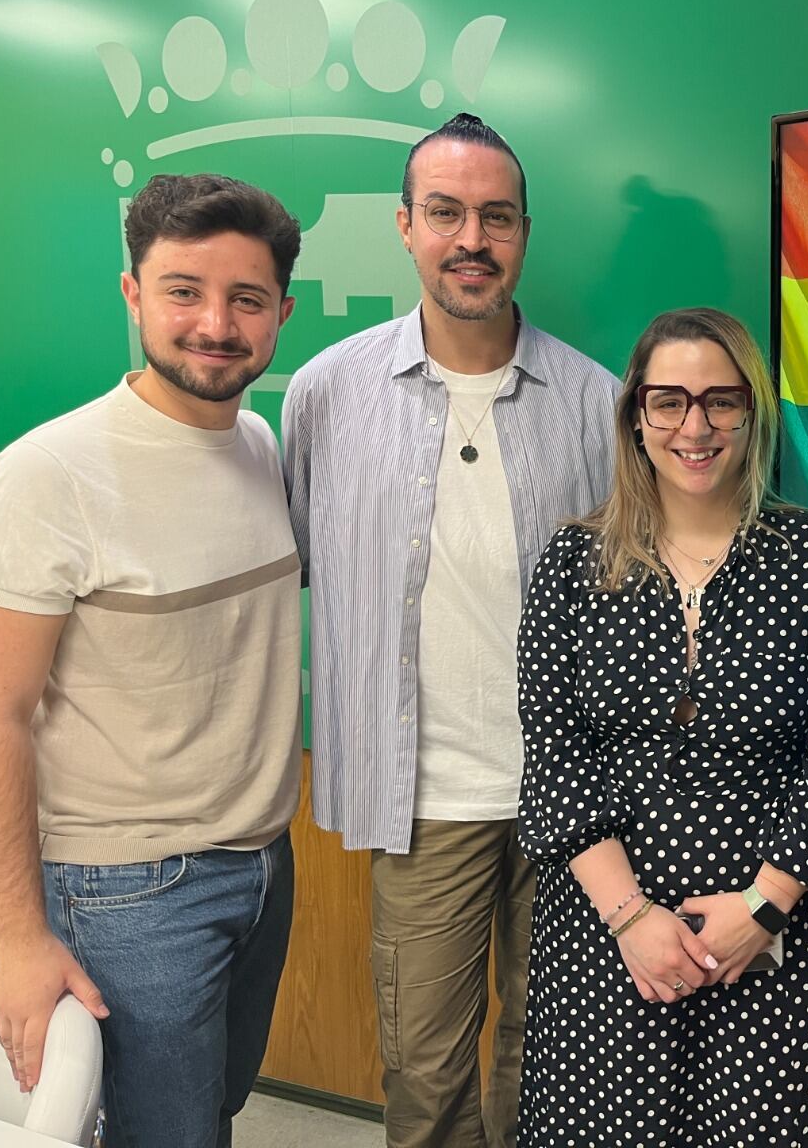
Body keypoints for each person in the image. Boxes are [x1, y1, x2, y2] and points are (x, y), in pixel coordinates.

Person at [282, 112, 617, 1148]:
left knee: (551, 1056)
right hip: (420, 801)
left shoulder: (598, 403)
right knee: (424, 1076)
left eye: (496, 216)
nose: (471, 238)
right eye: (446, 213)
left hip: (577, 803)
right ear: (405, 226)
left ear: (524, 232)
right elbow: (293, 565)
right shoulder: (327, 394)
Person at [516, 307, 808, 1145]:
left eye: (723, 402)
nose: (696, 426)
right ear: (635, 417)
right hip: (610, 940)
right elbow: (555, 755)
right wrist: (631, 921)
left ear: (752, 415)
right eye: (670, 402)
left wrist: (761, 907)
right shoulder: (571, 566)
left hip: (781, 937)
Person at [0, 173, 303, 1147]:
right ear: (132, 293)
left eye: (246, 298)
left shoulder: (256, 441)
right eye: (182, 291)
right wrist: (15, 938)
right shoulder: (47, 476)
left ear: (281, 313)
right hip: (125, 888)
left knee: (207, 1115)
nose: (215, 322)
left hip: (262, 863)